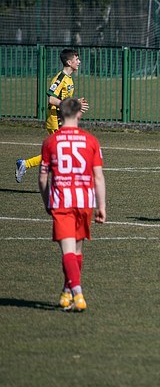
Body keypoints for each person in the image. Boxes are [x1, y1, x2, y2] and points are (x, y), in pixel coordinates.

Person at [37, 98, 106, 312]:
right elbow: (98, 177)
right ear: (79, 114)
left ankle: (78, 294)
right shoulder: (91, 141)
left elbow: (42, 178)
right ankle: (66, 292)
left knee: (67, 251)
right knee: (76, 251)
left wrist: (47, 201)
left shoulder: (50, 142)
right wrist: (101, 206)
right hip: (85, 201)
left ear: (60, 114)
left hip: (62, 202)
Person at [16, 48, 89, 184]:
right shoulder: (60, 78)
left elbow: (63, 99)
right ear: (69, 62)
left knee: (60, 151)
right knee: (61, 151)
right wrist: (69, 105)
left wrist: (75, 102)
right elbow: (51, 99)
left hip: (62, 118)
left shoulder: (69, 79)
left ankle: (25, 164)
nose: (79, 62)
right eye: (76, 59)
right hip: (55, 119)